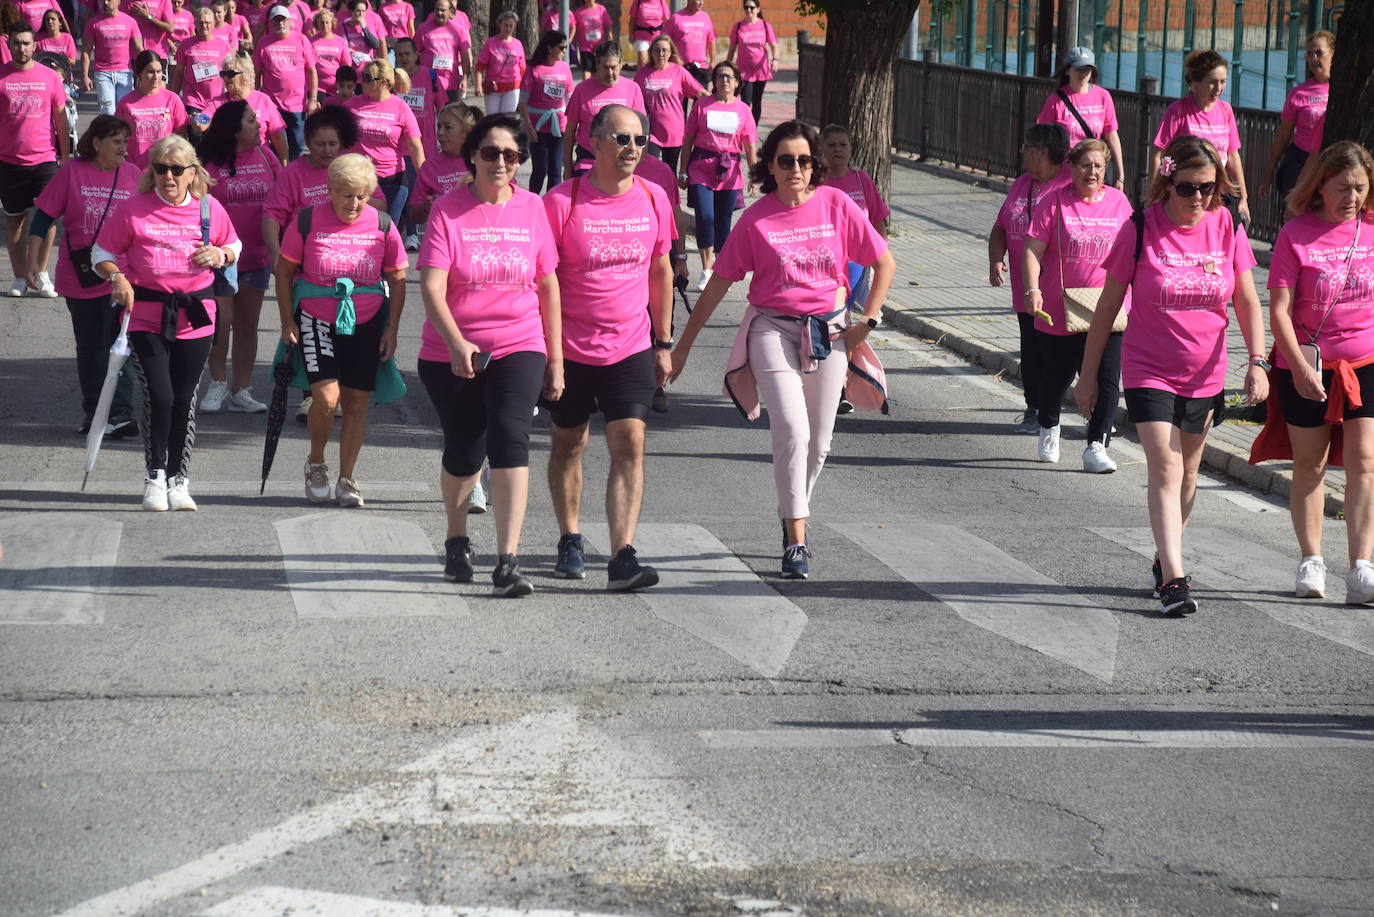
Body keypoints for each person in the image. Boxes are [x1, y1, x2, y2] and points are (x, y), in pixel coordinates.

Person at [669, 119, 895, 579]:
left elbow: (883, 261)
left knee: (821, 441)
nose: (796, 168)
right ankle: (796, 538)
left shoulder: (835, 204)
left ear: (815, 167)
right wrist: (682, 348)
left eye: (804, 161)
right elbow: (716, 289)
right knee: (792, 431)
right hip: (770, 330)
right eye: (785, 160)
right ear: (770, 166)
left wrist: (865, 324)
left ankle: (793, 507)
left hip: (828, 333)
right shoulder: (756, 218)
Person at [1075, 135, 1267, 616]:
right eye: (1187, 188)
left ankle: (1166, 557)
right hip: (1148, 369)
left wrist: (1258, 362)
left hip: (1205, 372)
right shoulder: (1139, 229)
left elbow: (1245, 301)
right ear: (1167, 182)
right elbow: (1106, 308)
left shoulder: (1227, 227)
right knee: (1166, 464)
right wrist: (1088, 376)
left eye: (1207, 188)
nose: (1198, 198)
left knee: (1189, 473)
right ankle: (1176, 582)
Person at [417, 113, 562, 596]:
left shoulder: (533, 208)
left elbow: (546, 283)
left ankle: (507, 560)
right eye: (490, 153)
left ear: (520, 160)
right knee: (464, 450)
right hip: (451, 350)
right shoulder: (448, 210)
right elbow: (433, 286)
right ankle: (457, 540)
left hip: (520, 342)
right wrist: (458, 342)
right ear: (473, 156)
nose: (500, 162)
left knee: (509, 438)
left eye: (511, 154)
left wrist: (555, 358)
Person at [543, 104, 674, 591]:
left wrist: (663, 343)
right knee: (568, 444)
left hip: (631, 344)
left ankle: (622, 554)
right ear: (592, 143)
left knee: (630, 444)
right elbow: (544, 281)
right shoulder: (562, 201)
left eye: (640, 140)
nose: (632, 149)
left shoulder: (654, 196)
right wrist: (548, 353)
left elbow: (660, 270)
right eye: (621, 139)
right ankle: (570, 537)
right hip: (571, 347)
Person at [92, 134, 241, 511]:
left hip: (197, 316)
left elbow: (234, 246)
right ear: (152, 172)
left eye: (177, 169)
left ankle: (179, 479)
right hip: (147, 316)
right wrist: (117, 278)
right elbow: (101, 253)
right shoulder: (133, 210)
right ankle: (155, 476)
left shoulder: (208, 209)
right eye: (160, 169)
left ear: (192, 173)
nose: (168, 176)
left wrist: (219, 253)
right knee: (160, 395)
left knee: (183, 399)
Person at [1253, 141, 1374, 604]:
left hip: (1365, 364)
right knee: (1311, 465)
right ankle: (1311, 559)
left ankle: (1361, 567)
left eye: (1360, 188)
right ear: (1319, 185)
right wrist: (1299, 367)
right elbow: (1279, 310)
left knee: (1365, 465)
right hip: (1306, 363)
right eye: (1343, 187)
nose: (1352, 197)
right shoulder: (1295, 235)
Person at [275, 152, 407, 508]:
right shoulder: (307, 220)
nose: (354, 203)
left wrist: (392, 329)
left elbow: (397, 276)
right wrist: (287, 320)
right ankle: (316, 461)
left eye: (361, 195)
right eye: (347, 194)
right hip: (316, 318)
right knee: (327, 399)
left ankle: (347, 477)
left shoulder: (381, 224)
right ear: (330, 190)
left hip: (366, 321)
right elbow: (284, 271)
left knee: (357, 402)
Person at [26, 115, 141, 436]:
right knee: (91, 349)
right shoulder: (71, 173)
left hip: (122, 278)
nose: (123, 148)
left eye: (125, 142)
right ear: (96, 143)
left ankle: (119, 413)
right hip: (80, 278)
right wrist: (33, 260)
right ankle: (95, 413)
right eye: (116, 142)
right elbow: (43, 217)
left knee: (121, 345)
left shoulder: (134, 176)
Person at [1022, 138, 1132, 470]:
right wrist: (1032, 289)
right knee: (1057, 376)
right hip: (1059, 306)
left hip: (1107, 306)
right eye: (1086, 165)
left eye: (1099, 166)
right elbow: (1031, 250)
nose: (1093, 172)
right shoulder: (1055, 202)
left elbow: (1131, 251)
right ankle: (1049, 425)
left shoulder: (1119, 202)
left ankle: (1096, 445)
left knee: (1108, 377)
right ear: (1071, 168)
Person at [197, 99, 279, 414]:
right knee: (221, 322)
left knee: (248, 325)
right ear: (234, 129)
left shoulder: (266, 155)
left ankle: (241, 390)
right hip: (220, 259)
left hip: (257, 256)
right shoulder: (207, 163)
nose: (259, 125)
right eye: (251, 120)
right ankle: (217, 383)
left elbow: (281, 200)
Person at [989, 123, 1071, 433]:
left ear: (1044, 152)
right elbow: (1000, 226)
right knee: (1032, 352)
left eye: (1028, 146)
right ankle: (1034, 408)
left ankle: (1079, 411)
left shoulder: (1068, 185)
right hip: (1026, 290)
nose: (1022, 150)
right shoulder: (1021, 183)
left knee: (1058, 355)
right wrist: (996, 259)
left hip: (1059, 290)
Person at [819, 123, 889, 414]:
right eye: (832, 145)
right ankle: (831, 385)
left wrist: (879, 259)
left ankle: (838, 385)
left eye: (843, 145)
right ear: (821, 150)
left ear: (850, 150)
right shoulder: (816, 182)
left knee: (845, 326)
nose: (838, 150)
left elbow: (879, 222)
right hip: (824, 266)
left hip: (856, 266)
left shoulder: (861, 180)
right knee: (832, 325)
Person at [2, 22, 68, 298]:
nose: (21, 48)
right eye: (16, 42)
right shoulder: (1, 77)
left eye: (26, 43)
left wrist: (65, 157)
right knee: (15, 221)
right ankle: (19, 278)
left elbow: (61, 118)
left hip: (44, 159)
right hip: (8, 161)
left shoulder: (49, 77)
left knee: (47, 218)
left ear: (34, 45)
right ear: (9, 45)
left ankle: (41, 274)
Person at [678, 60, 756, 291]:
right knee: (705, 218)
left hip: (729, 169)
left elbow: (749, 145)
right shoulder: (702, 105)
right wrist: (683, 170)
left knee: (723, 223)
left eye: (729, 77)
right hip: (701, 166)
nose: (724, 80)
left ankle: (720, 271)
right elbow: (688, 140)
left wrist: (754, 173)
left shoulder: (743, 110)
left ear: (737, 83)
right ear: (714, 80)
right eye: (720, 76)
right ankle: (706, 269)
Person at [1153, 49, 1249, 224]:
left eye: (1223, 82)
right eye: (1212, 82)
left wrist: (1243, 198)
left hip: (1219, 193)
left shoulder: (1225, 110)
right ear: (1195, 83)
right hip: (1189, 194)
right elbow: (1159, 154)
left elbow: (1233, 157)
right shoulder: (1178, 111)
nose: (1219, 88)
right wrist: (1156, 193)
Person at [1260, 31, 1334, 205]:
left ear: (1333, 54)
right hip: (1300, 162)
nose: (1313, 58)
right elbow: (1283, 135)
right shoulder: (1298, 93)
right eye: (1309, 54)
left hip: (1332, 164)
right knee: (1294, 215)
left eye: (1319, 53)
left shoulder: (1345, 90)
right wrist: (1268, 174)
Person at [1036, 46, 1124, 190]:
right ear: (1067, 70)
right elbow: (1041, 138)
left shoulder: (1103, 96)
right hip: (1064, 175)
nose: (1083, 74)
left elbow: (1112, 136)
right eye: (1078, 69)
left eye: (1087, 69)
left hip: (1094, 173)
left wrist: (1120, 175)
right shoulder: (1055, 101)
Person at [345, 57, 423, 217]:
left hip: (392, 180)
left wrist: (425, 182)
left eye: (367, 78)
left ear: (384, 82)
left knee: (388, 231)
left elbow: (416, 148)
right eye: (362, 76)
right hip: (359, 178)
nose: (362, 82)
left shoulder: (401, 108)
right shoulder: (351, 104)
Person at [562, 40, 645, 178]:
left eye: (614, 67)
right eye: (605, 67)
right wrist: (567, 167)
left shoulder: (633, 89)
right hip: (589, 160)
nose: (610, 72)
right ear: (597, 65)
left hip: (623, 159)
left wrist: (639, 163)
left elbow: (642, 129)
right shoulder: (582, 90)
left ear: (621, 64)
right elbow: (570, 131)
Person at [633, 33, 705, 174]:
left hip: (674, 132)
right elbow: (633, 97)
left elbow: (700, 92)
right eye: (657, 50)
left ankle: (669, 196)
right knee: (650, 168)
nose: (661, 54)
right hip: (651, 132)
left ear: (670, 52)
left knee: (669, 171)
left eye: (664, 50)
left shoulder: (678, 71)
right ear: (651, 52)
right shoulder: (643, 73)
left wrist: (720, 101)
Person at [253, 4, 318, 160]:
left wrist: (313, 99)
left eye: (283, 20)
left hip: (297, 104)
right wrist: (256, 100)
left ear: (289, 21)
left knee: (298, 146)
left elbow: (312, 70)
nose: (280, 24)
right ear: (270, 23)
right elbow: (257, 74)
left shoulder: (301, 40)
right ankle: (277, 178)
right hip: (272, 104)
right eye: (276, 21)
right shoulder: (264, 43)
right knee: (275, 146)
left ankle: (296, 179)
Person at [201, 51, 288, 162]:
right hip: (227, 164)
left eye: (231, 74)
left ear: (245, 74)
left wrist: (285, 167)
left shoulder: (263, 99)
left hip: (260, 163)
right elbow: (203, 121)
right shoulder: (216, 102)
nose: (226, 79)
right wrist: (197, 119)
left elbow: (278, 137)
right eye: (223, 74)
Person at [113, 49, 188, 170]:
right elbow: (116, 137)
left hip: (164, 170)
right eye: (150, 72)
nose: (156, 76)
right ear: (139, 73)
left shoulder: (172, 99)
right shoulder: (126, 103)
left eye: (159, 72)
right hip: (135, 170)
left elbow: (181, 135)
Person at [518, 29, 572, 194]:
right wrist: (528, 127)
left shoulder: (564, 68)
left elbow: (570, 99)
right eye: (561, 47)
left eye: (565, 47)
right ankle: (532, 200)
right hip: (538, 127)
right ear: (549, 48)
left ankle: (552, 204)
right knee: (540, 169)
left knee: (556, 171)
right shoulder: (533, 69)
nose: (564, 51)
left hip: (559, 125)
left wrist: (572, 127)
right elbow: (522, 102)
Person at [169, 5, 232, 134]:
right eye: (201, 22)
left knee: (214, 141)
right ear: (195, 24)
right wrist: (174, 98)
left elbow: (230, 72)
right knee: (196, 138)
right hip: (194, 102)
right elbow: (178, 73)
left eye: (208, 23)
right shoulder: (186, 44)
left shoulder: (223, 46)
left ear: (213, 24)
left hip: (216, 102)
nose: (204, 26)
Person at [410, 100, 475, 222]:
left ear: (467, 131)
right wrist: (426, 206)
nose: (440, 132)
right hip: (443, 236)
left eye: (448, 127)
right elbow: (414, 216)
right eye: (439, 126)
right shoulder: (429, 166)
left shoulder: (484, 160)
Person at [80, 0, 143, 114]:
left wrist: (142, 73)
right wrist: (85, 75)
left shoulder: (130, 22)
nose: (105, 2)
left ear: (118, 1)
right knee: (108, 112)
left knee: (125, 111)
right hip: (103, 73)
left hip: (125, 72)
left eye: (109, 0)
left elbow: (139, 49)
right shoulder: (94, 23)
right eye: (103, 0)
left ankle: (123, 132)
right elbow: (86, 51)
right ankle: (110, 132)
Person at [726, 0, 775, 129]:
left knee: (757, 101)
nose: (749, 10)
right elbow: (732, 48)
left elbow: (773, 45)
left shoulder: (765, 25)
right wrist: (728, 65)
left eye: (752, 8)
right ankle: (745, 127)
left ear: (758, 9)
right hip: (744, 70)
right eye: (746, 7)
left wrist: (775, 60)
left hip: (761, 70)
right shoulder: (738, 27)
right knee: (746, 102)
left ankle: (753, 128)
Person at [416, 0, 472, 102]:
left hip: (451, 83)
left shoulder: (458, 30)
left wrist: (464, 78)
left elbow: (465, 57)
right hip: (429, 82)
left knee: (450, 115)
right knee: (430, 115)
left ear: (450, 12)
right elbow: (415, 54)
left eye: (443, 10)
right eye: (437, 9)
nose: (439, 13)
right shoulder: (423, 29)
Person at [475, 10, 522, 115]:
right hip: (493, 87)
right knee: (493, 119)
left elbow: (522, 68)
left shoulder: (518, 44)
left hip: (512, 88)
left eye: (511, 26)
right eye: (506, 25)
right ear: (499, 24)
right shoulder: (490, 42)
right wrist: (478, 85)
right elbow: (480, 67)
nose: (508, 29)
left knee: (507, 119)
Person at [663, 0, 714, 89]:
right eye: (698, 0)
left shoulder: (705, 17)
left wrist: (712, 60)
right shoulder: (676, 18)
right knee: (681, 101)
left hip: (700, 67)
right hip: (681, 67)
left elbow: (711, 40)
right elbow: (664, 40)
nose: (701, 3)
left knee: (701, 100)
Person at [569, 0, 611, 80]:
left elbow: (608, 24)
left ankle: (595, 88)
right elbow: (574, 26)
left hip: (599, 45)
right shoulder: (579, 11)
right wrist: (571, 40)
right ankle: (587, 89)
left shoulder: (601, 9)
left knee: (598, 69)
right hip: (585, 46)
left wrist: (610, 37)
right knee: (586, 69)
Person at [339, 0, 385, 69]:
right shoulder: (342, 27)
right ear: (351, 11)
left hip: (367, 65)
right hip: (349, 66)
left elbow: (376, 44)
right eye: (358, 11)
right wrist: (346, 49)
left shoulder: (369, 25)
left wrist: (364, 28)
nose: (361, 14)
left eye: (363, 11)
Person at [627, 0, 668, 68]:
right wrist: (631, 35)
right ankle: (641, 77)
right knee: (643, 59)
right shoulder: (638, 2)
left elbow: (666, 20)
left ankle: (655, 77)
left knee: (657, 61)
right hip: (641, 35)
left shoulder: (660, 1)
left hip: (658, 36)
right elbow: (632, 21)